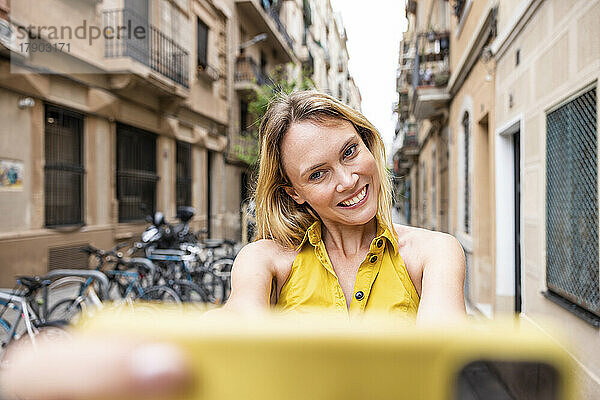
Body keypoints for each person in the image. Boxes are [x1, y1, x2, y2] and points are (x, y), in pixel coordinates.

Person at [0, 90, 465, 399]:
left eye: (349, 152)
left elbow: (445, 353)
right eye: (318, 174)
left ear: (367, 144)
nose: (348, 180)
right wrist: (145, 350)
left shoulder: (433, 253)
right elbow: (238, 323)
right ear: (293, 192)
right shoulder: (264, 261)